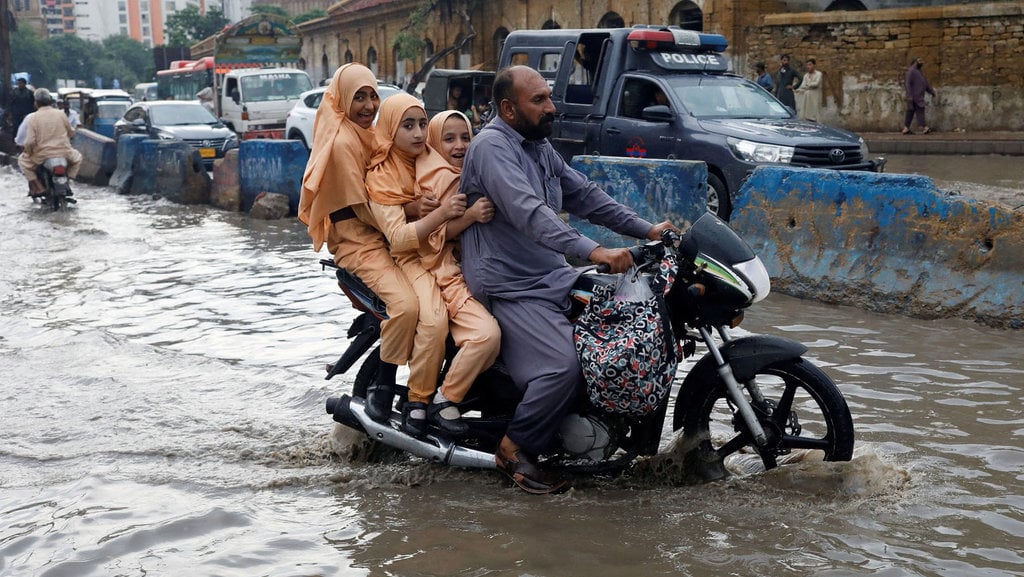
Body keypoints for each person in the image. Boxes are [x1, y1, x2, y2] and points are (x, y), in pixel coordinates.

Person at [458, 65, 676, 494]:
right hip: (509, 284)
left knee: (614, 334)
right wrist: (595, 251)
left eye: (548, 97)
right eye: (538, 100)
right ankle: (514, 449)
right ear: (508, 108)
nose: (551, 107)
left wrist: (647, 230)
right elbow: (528, 211)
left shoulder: (538, 146)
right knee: (564, 364)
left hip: (550, 273)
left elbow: (585, 195)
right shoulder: (491, 147)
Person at [298, 63, 440, 428]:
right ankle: (384, 385)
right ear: (343, 98)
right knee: (406, 306)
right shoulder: (344, 140)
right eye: (358, 96)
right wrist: (409, 210)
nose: (368, 104)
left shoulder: (368, 134)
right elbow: (364, 206)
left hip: (383, 232)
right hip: (358, 240)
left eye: (372, 95)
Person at [366, 96, 500, 435]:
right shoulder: (396, 175)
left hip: (449, 263)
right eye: (407, 126)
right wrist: (450, 213)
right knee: (432, 320)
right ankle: (420, 400)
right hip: (418, 260)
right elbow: (404, 239)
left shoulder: (434, 165)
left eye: (422, 125)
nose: (417, 135)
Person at [414, 110, 501, 435]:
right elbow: (438, 234)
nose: (460, 145)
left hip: (469, 268)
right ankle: (444, 399)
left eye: (465, 137)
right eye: (448, 139)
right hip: (444, 273)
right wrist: (472, 216)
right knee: (487, 335)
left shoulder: (464, 174)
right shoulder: (440, 180)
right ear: (434, 142)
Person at [18, 88, 83, 196]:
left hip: (42, 155)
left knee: (22, 161)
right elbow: (71, 132)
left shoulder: (33, 118)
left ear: (36, 103)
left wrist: (28, 152)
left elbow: (29, 142)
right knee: (78, 158)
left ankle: (39, 187)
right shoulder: (61, 114)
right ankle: (68, 183)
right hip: (64, 153)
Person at [903, 56, 936, 135]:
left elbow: (925, 83)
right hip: (915, 96)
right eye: (920, 60)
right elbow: (907, 83)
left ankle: (906, 128)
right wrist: (909, 95)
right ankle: (924, 127)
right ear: (915, 62)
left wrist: (931, 91)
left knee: (910, 112)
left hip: (918, 95)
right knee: (920, 110)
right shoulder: (911, 71)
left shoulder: (919, 72)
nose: (922, 62)